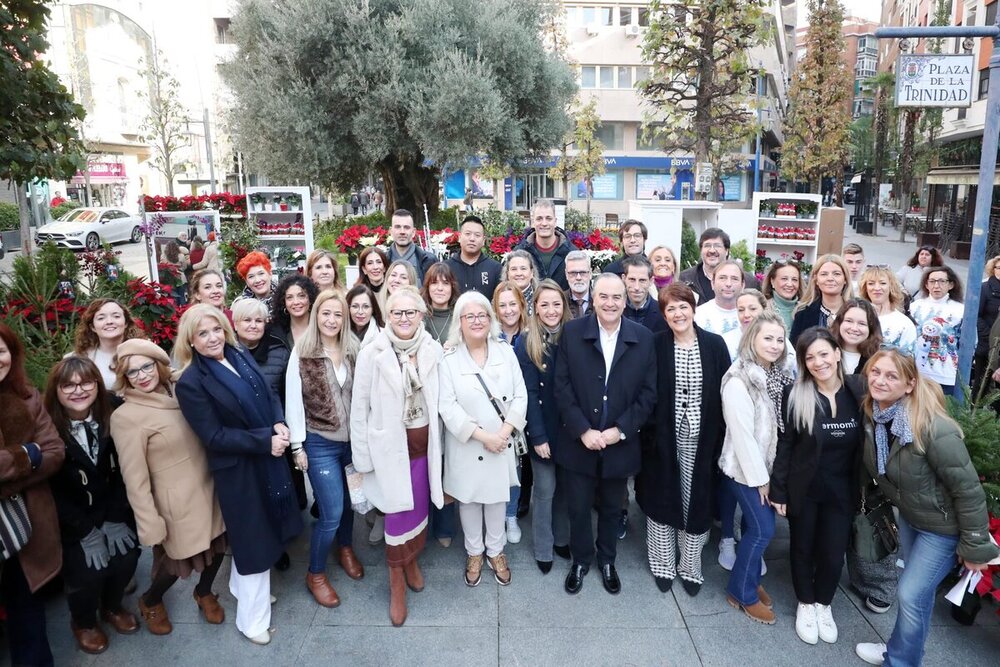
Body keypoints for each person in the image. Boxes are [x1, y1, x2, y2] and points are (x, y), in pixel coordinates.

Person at [854, 349, 999, 666]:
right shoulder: (875, 417)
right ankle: (899, 651)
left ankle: (901, 661)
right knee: (915, 598)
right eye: (875, 372)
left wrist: (974, 545)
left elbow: (968, 488)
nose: (880, 380)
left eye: (891, 375)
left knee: (909, 594)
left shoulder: (932, 426)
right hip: (911, 517)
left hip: (943, 528)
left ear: (909, 385)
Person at [174, 306, 303, 645]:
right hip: (240, 471)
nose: (212, 337)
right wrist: (265, 440)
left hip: (268, 456)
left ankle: (242, 588)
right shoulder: (190, 382)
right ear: (190, 340)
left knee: (267, 531)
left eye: (216, 329)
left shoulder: (238, 352)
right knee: (254, 541)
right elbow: (214, 436)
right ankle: (253, 620)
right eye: (202, 333)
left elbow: (269, 392)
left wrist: (278, 422)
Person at [109, 338, 227, 637]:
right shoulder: (126, 417)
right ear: (125, 379)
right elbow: (134, 479)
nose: (142, 376)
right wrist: (149, 521)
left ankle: (204, 592)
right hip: (177, 504)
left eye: (146, 366)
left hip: (212, 487)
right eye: (132, 373)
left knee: (218, 548)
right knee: (176, 564)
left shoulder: (182, 389)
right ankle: (151, 600)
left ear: (159, 365)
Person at [555, 274, 657, 595]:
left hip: (620, 444)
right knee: (579, 505)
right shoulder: (572, 333)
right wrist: (583, 430)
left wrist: (620, 431)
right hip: (579, 442)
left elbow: (647, 395)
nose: (610, 303)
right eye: (604, 297)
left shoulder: (643, 338)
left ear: (625, 301)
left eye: (616, 297)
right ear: (593, 299)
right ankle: (582, 560)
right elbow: (562, 387)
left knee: (614, 506)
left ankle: (608, 559)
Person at [350, 286, 445, 626]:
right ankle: (396, 585)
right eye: (397, 313)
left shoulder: (432, 349)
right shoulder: (372, 351)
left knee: (418, 513)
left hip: (424, 453)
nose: (404, 319)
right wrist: (362, 459)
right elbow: (358, 408)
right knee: (396, 519)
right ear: (388, 316)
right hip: (388, 454)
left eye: (411, 312)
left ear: (422, 315)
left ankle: (412, 562)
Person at [769, 328, 865, 645]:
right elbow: (787, 445)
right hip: (805, 488)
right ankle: (806, 604)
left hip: (842, 491)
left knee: (833, 553)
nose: (818, 362)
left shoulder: (859, 390)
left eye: (824, 354)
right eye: (810, 357)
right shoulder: (795, 394)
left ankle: (824, 604)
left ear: (838, 354)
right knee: (802, 547)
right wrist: (778, 490)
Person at [636, 283, 729, 595]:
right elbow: (646, 390)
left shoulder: (714, 345)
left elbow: (724, 395)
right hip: (663, 439)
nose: (677, 313)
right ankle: (662, 563)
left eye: (682, 306)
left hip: (702, 440)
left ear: (693, 308)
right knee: (662, 498)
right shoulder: (656, 344)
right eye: (670, 308)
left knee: (695, 502)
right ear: (664, 315)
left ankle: (690, 565)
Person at [45, 357, 140, 654]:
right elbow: (49, 491)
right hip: (72, 521)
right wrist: (85, 530)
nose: (78, 390)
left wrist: (114, 516)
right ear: (56, 390)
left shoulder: (113, 413)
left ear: (97, 385)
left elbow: (126, 468)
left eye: (86, 382)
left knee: (127, 554)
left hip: (110, 509)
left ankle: (111, 607)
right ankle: (83, 621)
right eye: (68, 385)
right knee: (86, 572)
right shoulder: (46, 427)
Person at [439, 291, 527, 588]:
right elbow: (446, 405)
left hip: (500, 441)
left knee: (496, 498)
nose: (477, 321)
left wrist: (503, 434)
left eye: (482, 315)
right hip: (468, 442)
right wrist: (482, 437)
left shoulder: (505, 351)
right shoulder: (448, 358)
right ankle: (474, 552)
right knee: (469, 500)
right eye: (469, 316)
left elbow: (520, 394)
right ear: (459, 322)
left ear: (491, 320)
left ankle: (496, 551)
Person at [285, 290, 363, 608]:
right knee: (330, 512)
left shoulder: (353, 350)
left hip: (352, 444)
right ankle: (315, 574)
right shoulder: (302, 353)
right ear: (316, 315)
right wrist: (297, 446)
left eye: (338, 314)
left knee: (349, 506)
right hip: (319, 443)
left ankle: (345, 548)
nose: (331, 320)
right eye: (325, 313)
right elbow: (293, 400)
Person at [719, 312, 793, 625]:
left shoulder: (777, 374)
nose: (775, 345)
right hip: (745, 470)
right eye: (768, 338)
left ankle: (749, 581)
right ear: (753, 340)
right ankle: (741, 592)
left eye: (779, 339)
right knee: (763, 529)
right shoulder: (740, 379)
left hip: (768, 467)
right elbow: (743, 437)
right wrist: (761, 481)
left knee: (756, 528)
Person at [0, 324, 65, 666]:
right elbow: (37, 455)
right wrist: (25, 456)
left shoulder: (27, 397)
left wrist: (9, 476)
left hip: (22, 530)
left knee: (27, 615)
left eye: (0, 350)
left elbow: (53, 450)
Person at [515, 280, 572, 574]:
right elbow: (528, 395)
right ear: (535, 308)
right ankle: (542, 546)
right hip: (544, 432)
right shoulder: (526, 343)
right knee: (545, 490)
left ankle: (562, 538)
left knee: (564, 489)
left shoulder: (574, 336)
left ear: (564, 307)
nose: (551, 310)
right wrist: (537, 435)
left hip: (571, 432)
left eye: (556, 304)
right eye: (544, 304)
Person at [491, 281, 530, 539]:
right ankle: (494, 519)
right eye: (502, 305)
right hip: (493, 411)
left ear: (521, 305)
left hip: (521, 409)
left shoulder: (530, 334)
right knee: (494, 469)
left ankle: (511, 516)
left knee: (515, 469)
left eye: (512, 304)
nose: (508, 310)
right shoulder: (488, 336)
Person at [909, 265, 964, 394]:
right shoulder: (915, 306)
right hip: (917, 372)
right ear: (926, 285)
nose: (936, 285)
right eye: (932, 281)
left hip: (946, 373)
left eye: (942, 281)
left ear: (951, 284)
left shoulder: (960, 310)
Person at [72, 298, 145, 389]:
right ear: (92, 327)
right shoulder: (78, 359)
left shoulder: (144, 352)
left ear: (126, 323)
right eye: (101, 318)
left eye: (116, 316)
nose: (109, 322)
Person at [678, 228, 758, 302]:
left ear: (726, 251)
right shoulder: (685, 279)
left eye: (717, 246)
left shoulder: (749, 281)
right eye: (707, 246)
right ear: (701, 250)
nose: (712, 250)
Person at [790, 255, 852, 344]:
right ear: (816, 280)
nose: (830, 278)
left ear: (845, 279)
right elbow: (796, 351)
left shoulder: (859, 311)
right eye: (824, 274)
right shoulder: (802, 315)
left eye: (836, 274)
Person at [514, 199, 574, 290]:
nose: (544, 223)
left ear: (555, 221)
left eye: (548, 218)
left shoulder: (571, 253)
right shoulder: (520, 253)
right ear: (533, 222)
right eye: (539, 219)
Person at [858, 266, 916, 352]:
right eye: (871, 283)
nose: (877, 288)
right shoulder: (857, 316)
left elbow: (907, 359)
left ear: (891, 287)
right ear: (865, 288)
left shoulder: (904, 324)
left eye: (882, 283)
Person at [445, 215, 502, 299]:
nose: (472, 239)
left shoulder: (495, 268)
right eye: (468, 234)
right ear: (460, 237)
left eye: (477, 235)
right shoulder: (446, 267)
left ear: (483, 241)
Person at [829, 299, 883, 375]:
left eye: (862, 323)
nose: (854, 328)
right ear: (840, 323)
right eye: (849, 321)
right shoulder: (825, 353)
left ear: (871, 328)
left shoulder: (879, 359)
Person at [693, 259, 743, 336]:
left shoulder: (751, 316)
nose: (728, 284)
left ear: (743, 285)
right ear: (712, 283)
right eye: (722, 278)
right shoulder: (697, 316)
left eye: (734, 279)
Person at [386, 209, 436, 285]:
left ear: (413, 232)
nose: (402, 231)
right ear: (391, 231)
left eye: (406, 227)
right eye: (397, 227)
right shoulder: (383, 261)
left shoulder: (428, 261)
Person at [271, 273, 320, 348]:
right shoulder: (275, 332)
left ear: (310, 299)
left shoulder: (321, 328)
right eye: (289, 297)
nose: (296, 302)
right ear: (283, 302)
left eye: (301, 296)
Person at [974, 255, 1000, 392]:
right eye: (999, 268)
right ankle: (974, 412)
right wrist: (990, 335)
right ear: (993, 269)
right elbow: (975, 316)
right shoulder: (985, 288)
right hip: (986, 344)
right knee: (981, 384)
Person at [622, 256, 667, 333]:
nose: (637, 287)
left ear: (651, 281)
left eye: (642, 280)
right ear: (624, 279)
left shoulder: (663, 313)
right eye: (632, 280)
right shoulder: (614, 311)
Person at [762, 259, 804, 332]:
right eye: (784, 279)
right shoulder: (762, 309)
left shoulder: (805, 310)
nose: (790, 284)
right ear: (772, 281)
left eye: (794, 280)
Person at [502, 249, 539, 314]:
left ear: (532, 273)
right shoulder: (499, 300)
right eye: (514, 269)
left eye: (523, 268)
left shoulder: (540, 298)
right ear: (507, 273)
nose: (519, 273)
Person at [346, 284, 383, 349]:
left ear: (373, 309)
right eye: (355, 306)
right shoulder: (339, 333)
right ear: (348, 308)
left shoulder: (382, 335)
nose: (360, 312)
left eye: (366, 306)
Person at [563, 250, 593, 318]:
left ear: (590, 273)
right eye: (573, 273)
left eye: (583, 272)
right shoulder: (560, 301)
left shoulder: (600, 300)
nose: (578, 278)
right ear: (566, 274)